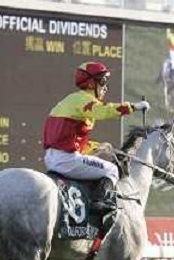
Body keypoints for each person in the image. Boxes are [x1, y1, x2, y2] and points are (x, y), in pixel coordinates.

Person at [43, 61, 149, 214]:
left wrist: (99, 146)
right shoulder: (83, 99)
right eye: (103, 81)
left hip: (53, 158)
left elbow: (69, 140)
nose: (105, 87)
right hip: (66, 159)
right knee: (112, 170)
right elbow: (104, 111)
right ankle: (100, 203)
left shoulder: (70, 100)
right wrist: (133, 107)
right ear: (92, 83)